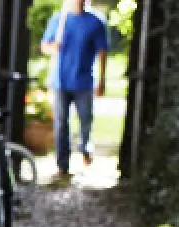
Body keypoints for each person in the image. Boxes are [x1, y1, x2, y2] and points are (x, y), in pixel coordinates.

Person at [41, 0, 109, 182]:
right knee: (61, 123)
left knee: (86, 120)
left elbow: (102, 51)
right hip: (60, 82)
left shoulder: (96, 21)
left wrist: (102, 80)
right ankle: (62, 165)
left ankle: (85, 148)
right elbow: (45, 46)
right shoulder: (58, 19)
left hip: (84, 82)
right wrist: (53, 46)